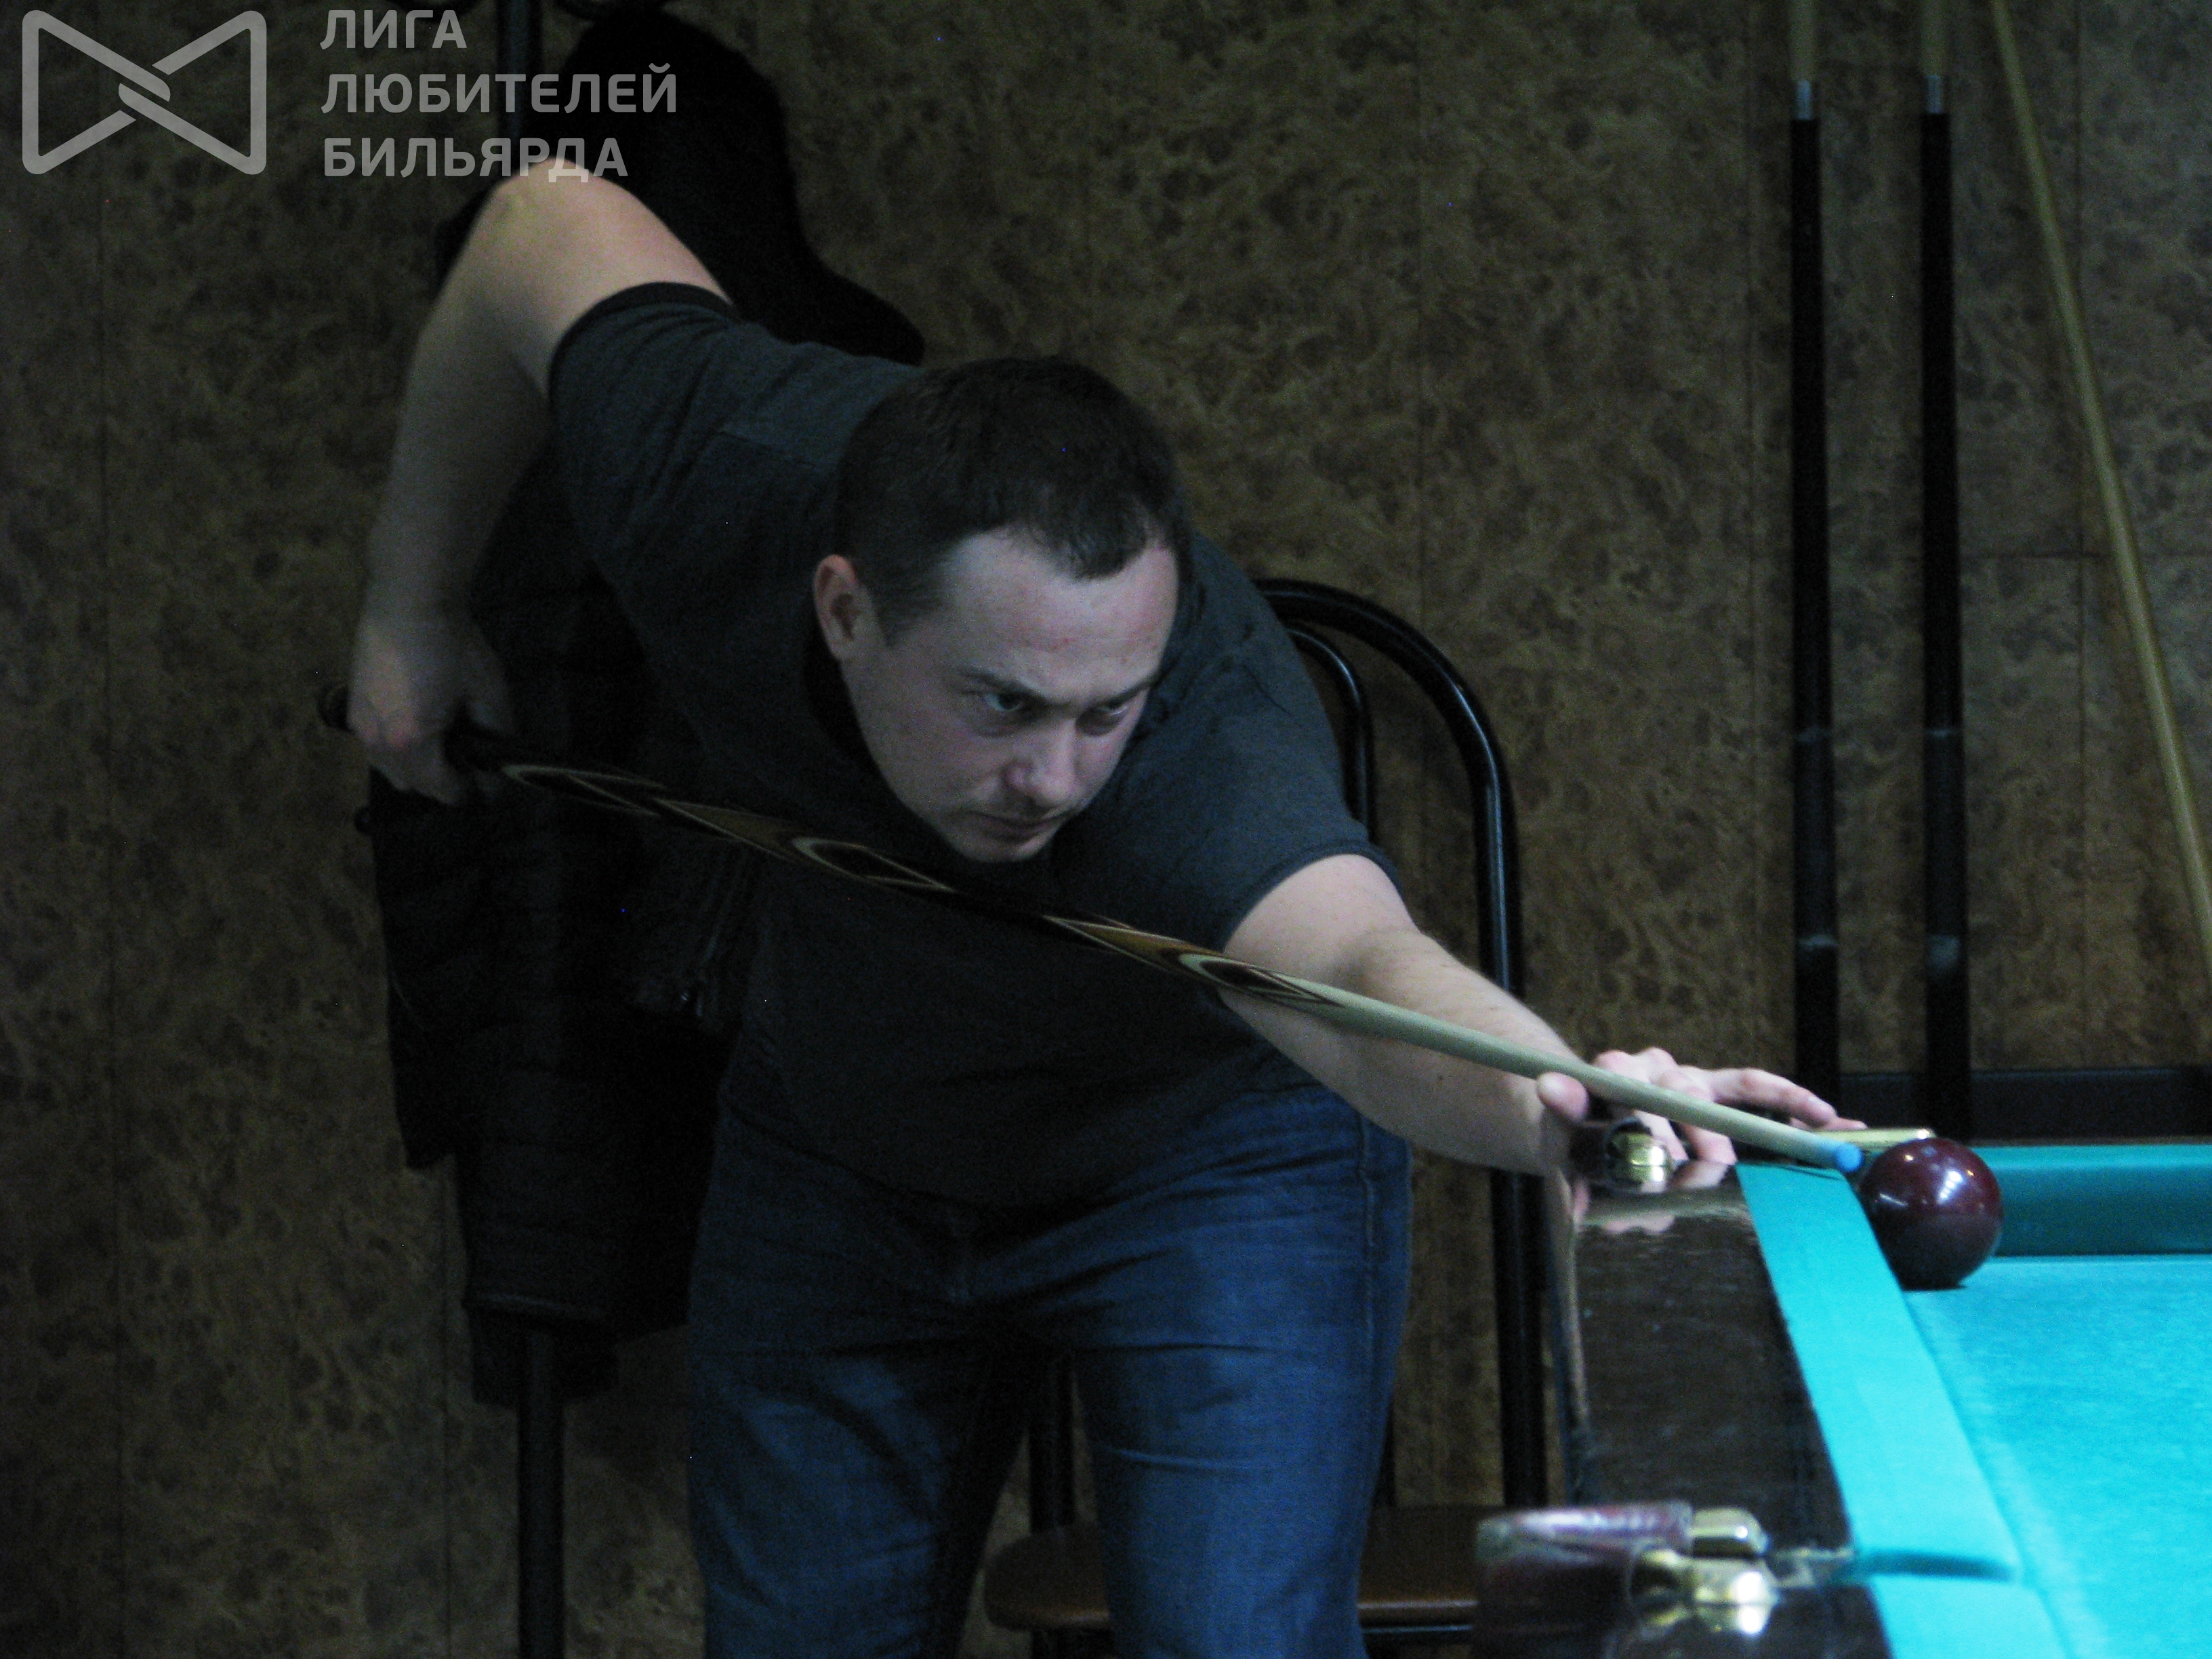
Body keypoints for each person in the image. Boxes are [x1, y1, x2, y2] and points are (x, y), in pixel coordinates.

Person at [348, 165, 1850, 1659]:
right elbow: (541, 221)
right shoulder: (715, 468)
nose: (1054, 779)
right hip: (843, 1139)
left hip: (1203, 1163)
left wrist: (1559, 1105)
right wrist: (411, 606)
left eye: (1103, 710)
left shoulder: (1210, 741)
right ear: (846, 609)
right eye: (1003, 703)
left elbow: (1354, 967)